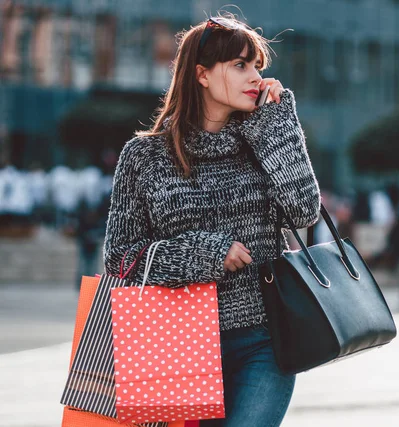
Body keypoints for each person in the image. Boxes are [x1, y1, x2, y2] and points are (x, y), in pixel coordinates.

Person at [103, 15, 320, 426]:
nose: (255, 76)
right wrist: (204, 254)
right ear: (202, 75)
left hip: (265, 341)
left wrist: (277, 125)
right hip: (177, 340)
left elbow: (304, 211)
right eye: (240, 65)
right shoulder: (144, 157)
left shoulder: (265, 136)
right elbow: (120, 258)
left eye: (256, 65)